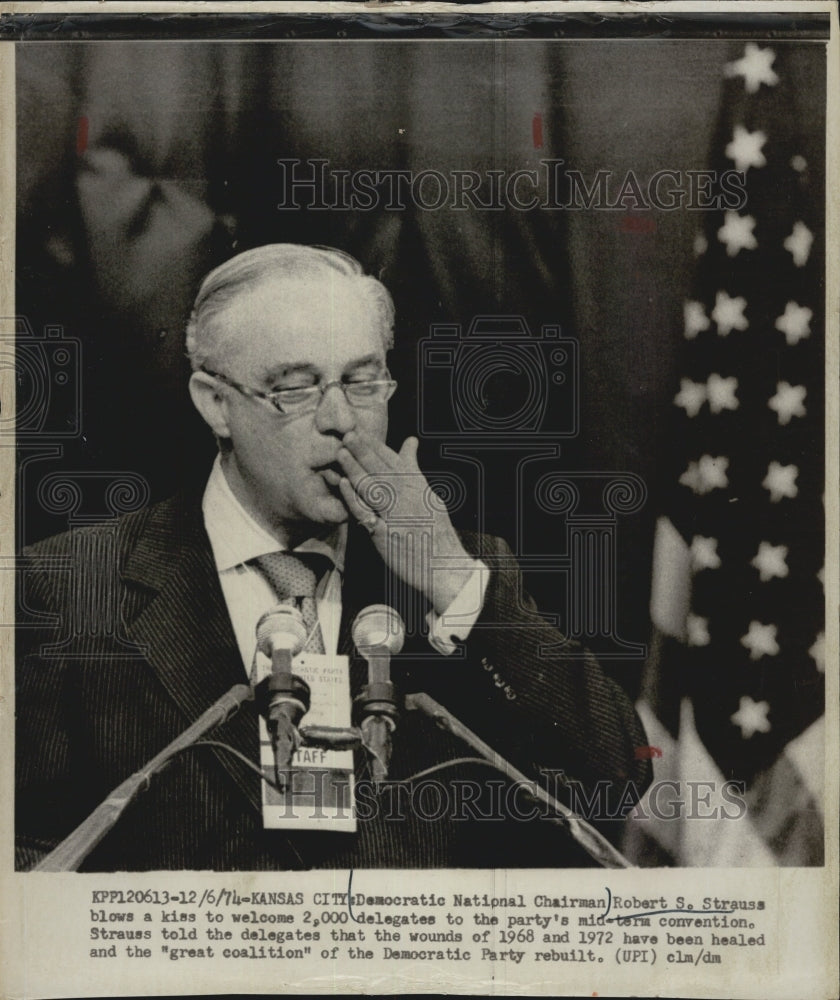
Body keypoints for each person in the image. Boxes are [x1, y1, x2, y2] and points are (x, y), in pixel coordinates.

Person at [15, 244, 651, 871]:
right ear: (215, 402)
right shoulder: (66, 587)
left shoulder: (460, 574)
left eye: (363, 380)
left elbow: (618, 782)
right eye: (295, 388)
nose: (342, 418)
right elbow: (23, 860)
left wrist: (451, 580)